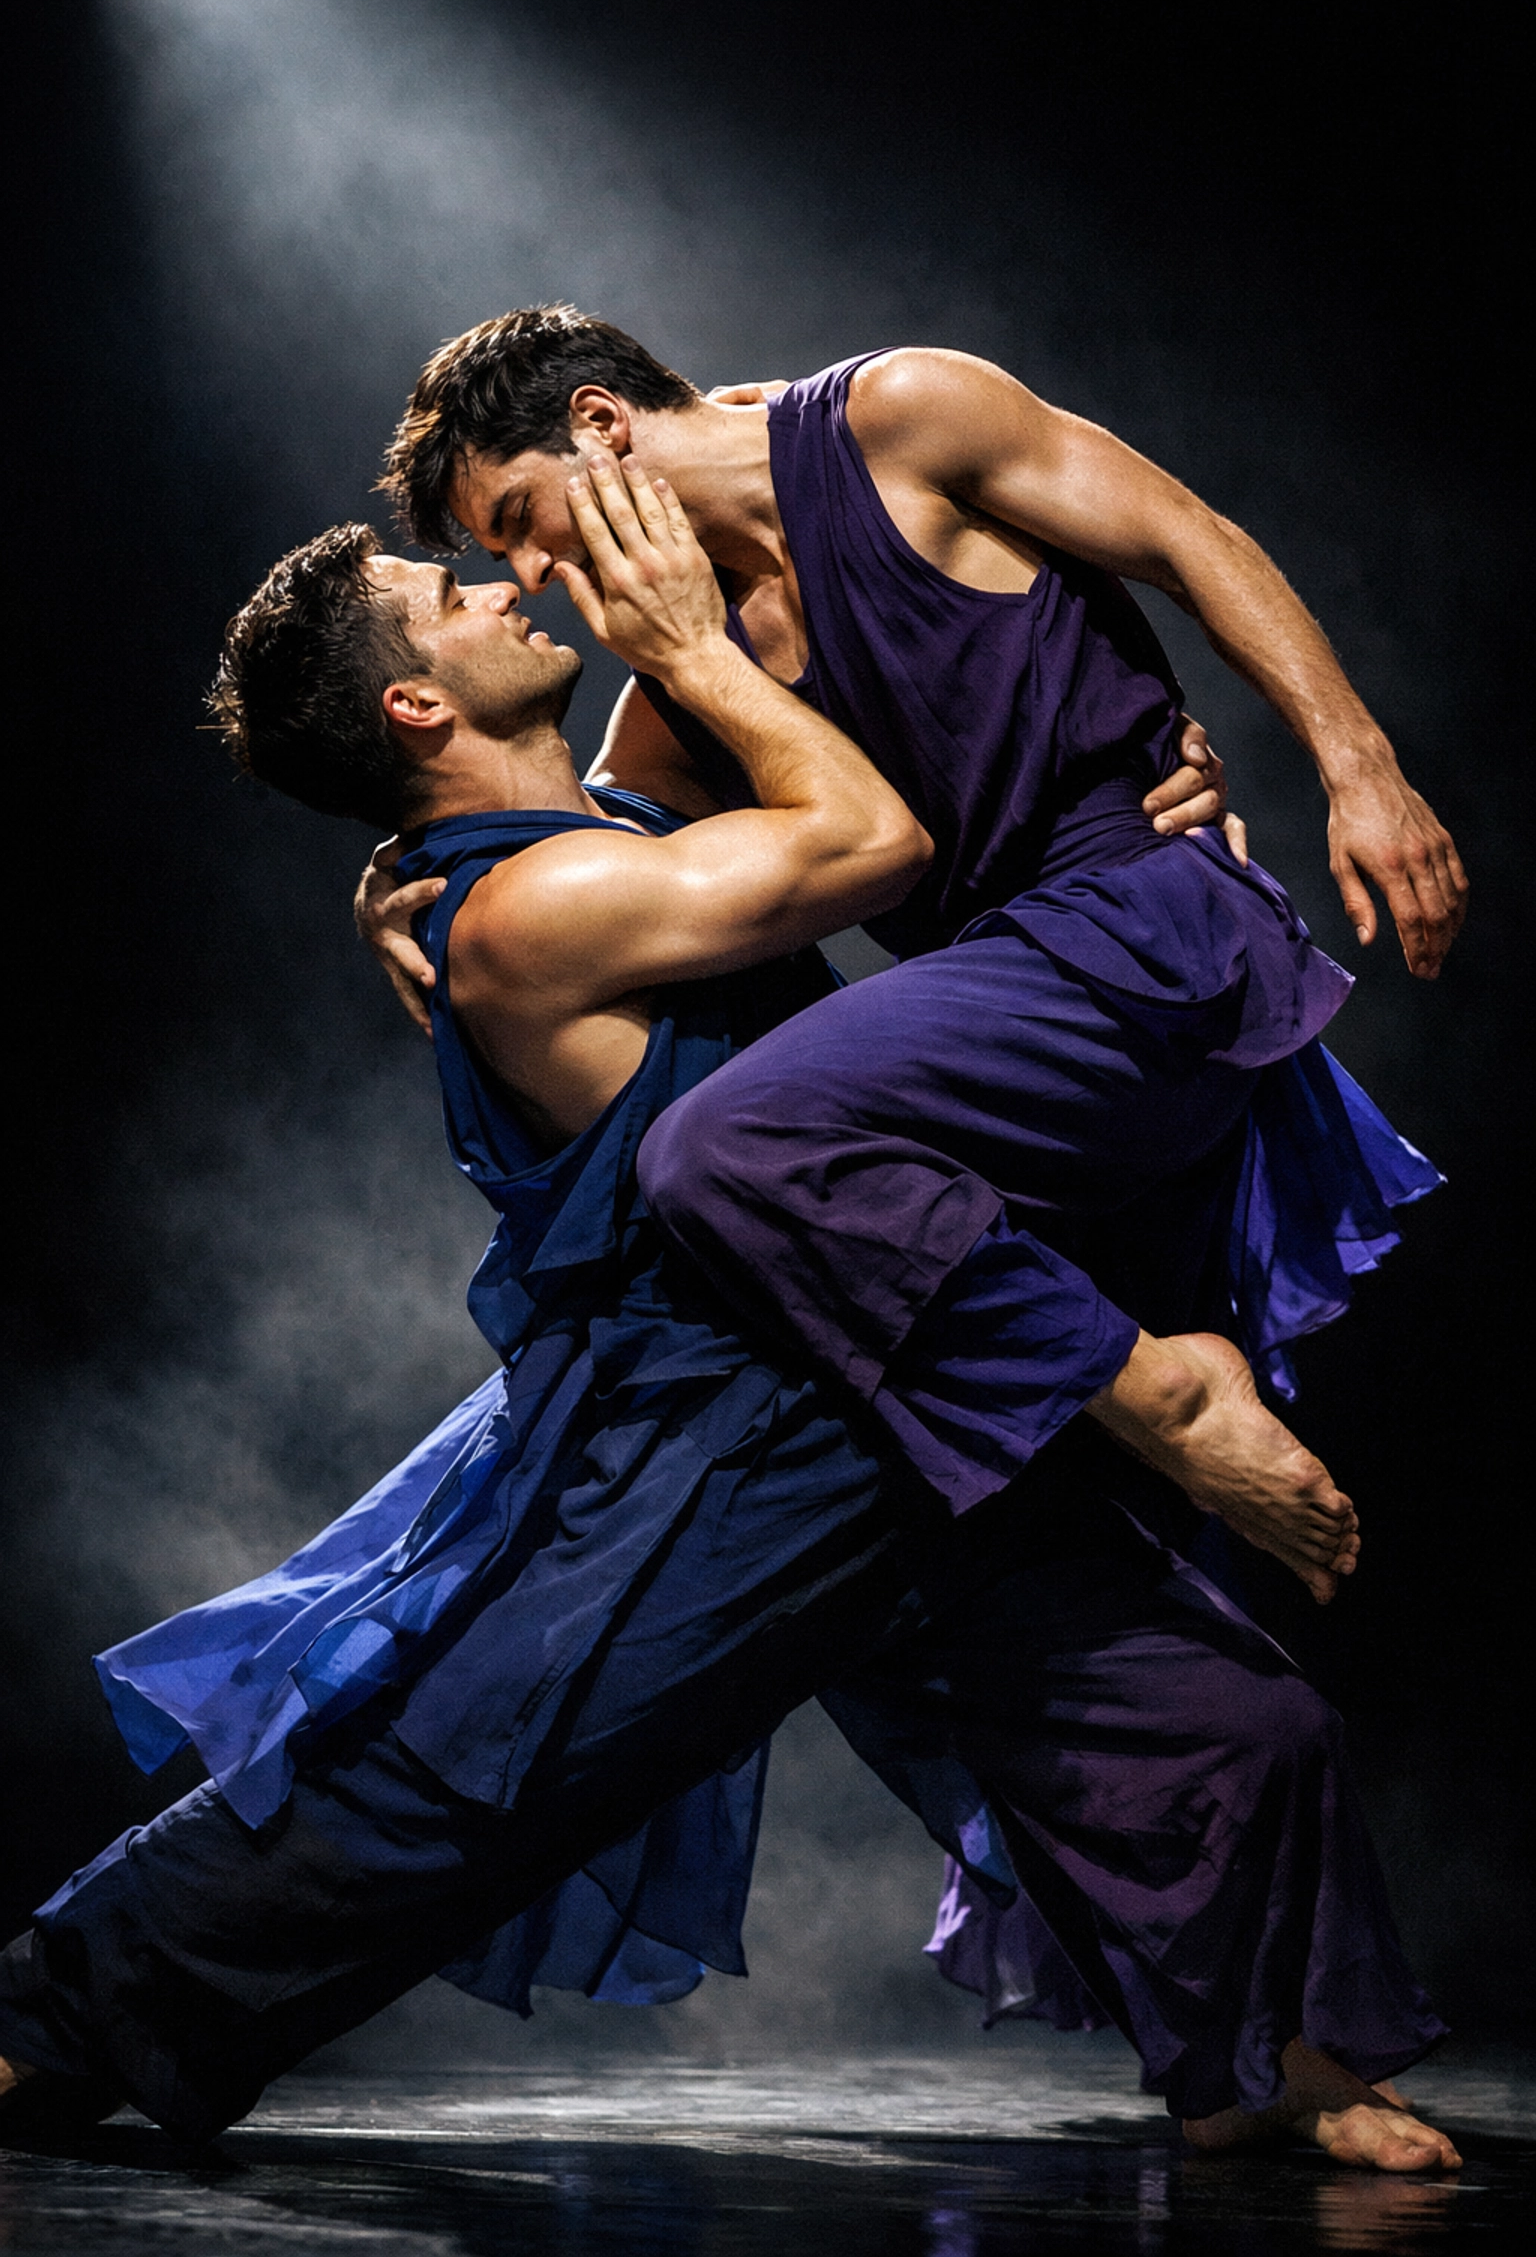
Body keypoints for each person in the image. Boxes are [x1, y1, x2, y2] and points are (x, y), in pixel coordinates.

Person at [0, 461, 1456, 2170]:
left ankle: (1267, 2065)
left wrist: (1147, 784)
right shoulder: (533, 903)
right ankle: (38, 2027)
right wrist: (691, 647)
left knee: (1215, 1719)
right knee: (455, 1778)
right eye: (449, 596)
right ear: (415, 702)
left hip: (900, 1368)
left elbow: (917, 776)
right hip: (726, 1447)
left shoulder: (598, 843)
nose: (503, 585)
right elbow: (873, 841)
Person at [371, 308, 1459, 1588]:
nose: (534, 571)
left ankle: (1170, 1400)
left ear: (600, 424)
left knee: (725, 1146)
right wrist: (414, 881)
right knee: (1097, 1538)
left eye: (519, 520)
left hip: (1152, 934)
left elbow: (1190, 539)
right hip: (1024, 1027)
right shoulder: (680, 659)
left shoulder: (897, 416)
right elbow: (573, 846)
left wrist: (1361, 770)